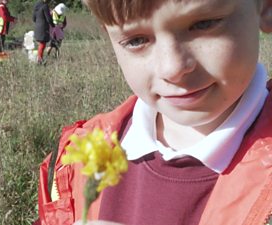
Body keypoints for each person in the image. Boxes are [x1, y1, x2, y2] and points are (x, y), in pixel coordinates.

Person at [35, 0, 272, 225]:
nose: (173, 68)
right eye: (136, 40)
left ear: (264, 8)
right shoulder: (75, 160)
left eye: (203, 24)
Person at [32, 0, 54, 64]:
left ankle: (38, 58)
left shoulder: (36, 5)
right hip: (43, 27)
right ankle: (39, 59)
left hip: (37, 26)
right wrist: (53, 25)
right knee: (42, 44)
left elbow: (33, 18)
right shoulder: (45, 6)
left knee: (40, 43)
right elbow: (48, 19)